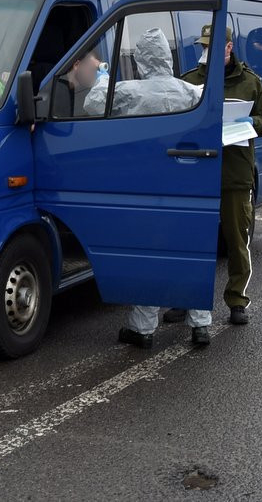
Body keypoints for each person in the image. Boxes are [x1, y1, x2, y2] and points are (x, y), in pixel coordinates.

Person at [99, 28, 211, 347]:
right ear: (167, 56)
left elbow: (95, 102)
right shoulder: (190, 91)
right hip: (189, 186)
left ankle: (143, 329)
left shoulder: (131, 91)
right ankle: (200, 325)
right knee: (189, 255)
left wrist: (101, 77)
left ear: (142, 60)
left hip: (146, 188)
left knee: (149, 256)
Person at [161, 24, 262, 330]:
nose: (207, 51)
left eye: (214, 46)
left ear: (228, 48)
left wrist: (250, 122)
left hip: (235, 172)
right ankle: (185, 300)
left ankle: (237, 299)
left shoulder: (250, 82)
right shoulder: (190, 81)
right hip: (197, 173)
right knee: (190, 239)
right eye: (204, 46)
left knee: (236, 239)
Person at [51, 52, 103, 117]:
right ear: (76, 65)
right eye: (92, 70)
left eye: (97, 70)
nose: (95, 75)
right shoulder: (53, 86)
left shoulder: (89, 96)